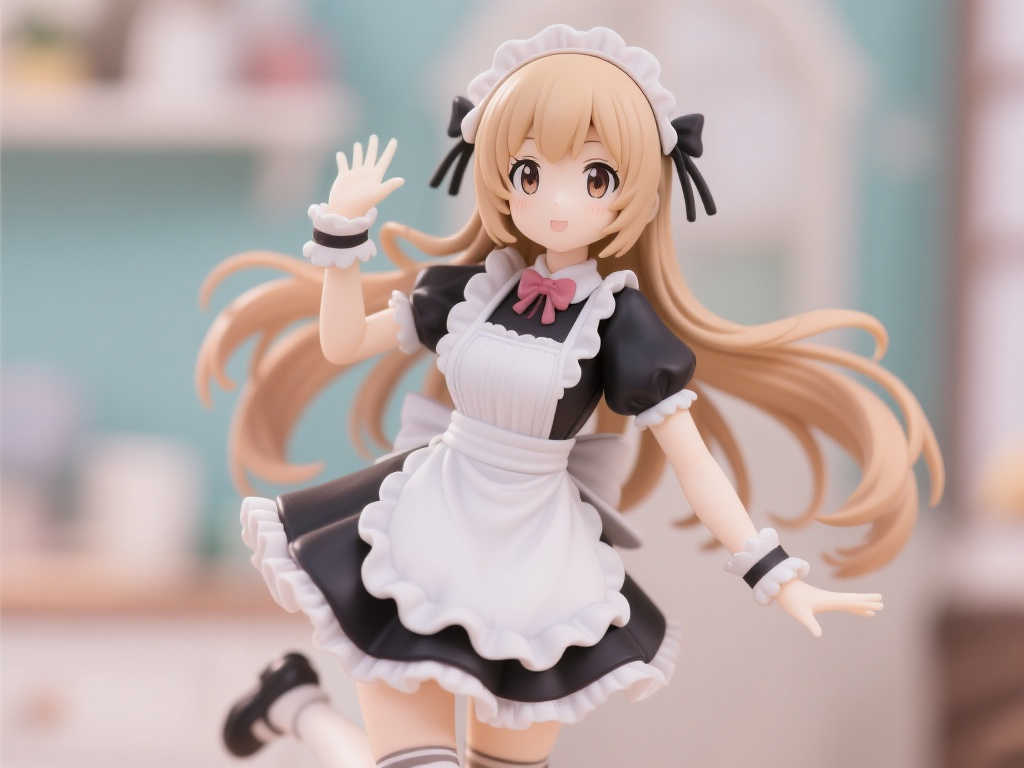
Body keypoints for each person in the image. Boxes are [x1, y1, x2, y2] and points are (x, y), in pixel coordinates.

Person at [197, 24, 944, 768]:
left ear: (634, 190)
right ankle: (300, 709)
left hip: (537, 561)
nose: (556, 202)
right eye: (529, 172)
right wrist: (341, 237)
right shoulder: (468, 291)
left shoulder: (620, 323)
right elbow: (341, 343)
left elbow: (693, 462)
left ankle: (291, 702)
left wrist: (772, 572)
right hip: (425, 524)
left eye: (594, 178)